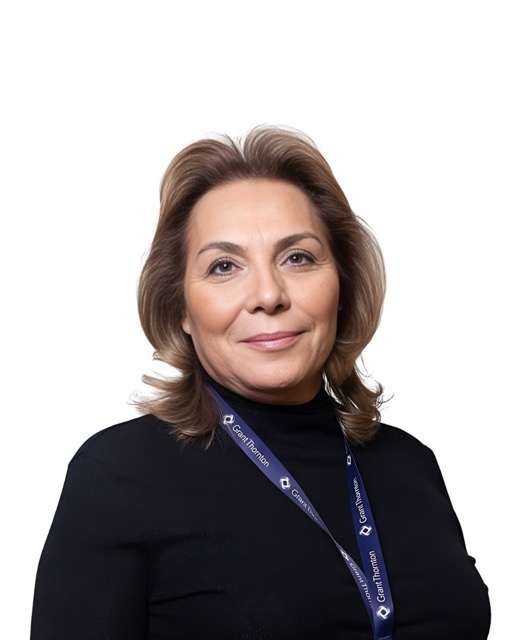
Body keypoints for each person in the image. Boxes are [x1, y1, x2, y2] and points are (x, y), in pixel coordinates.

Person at [30, 126, 491, 640]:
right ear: (181, 307)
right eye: (224, 266)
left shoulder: (410, 464)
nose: (268, 295)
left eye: (298, 257)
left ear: (342, 283)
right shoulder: (118, 474)